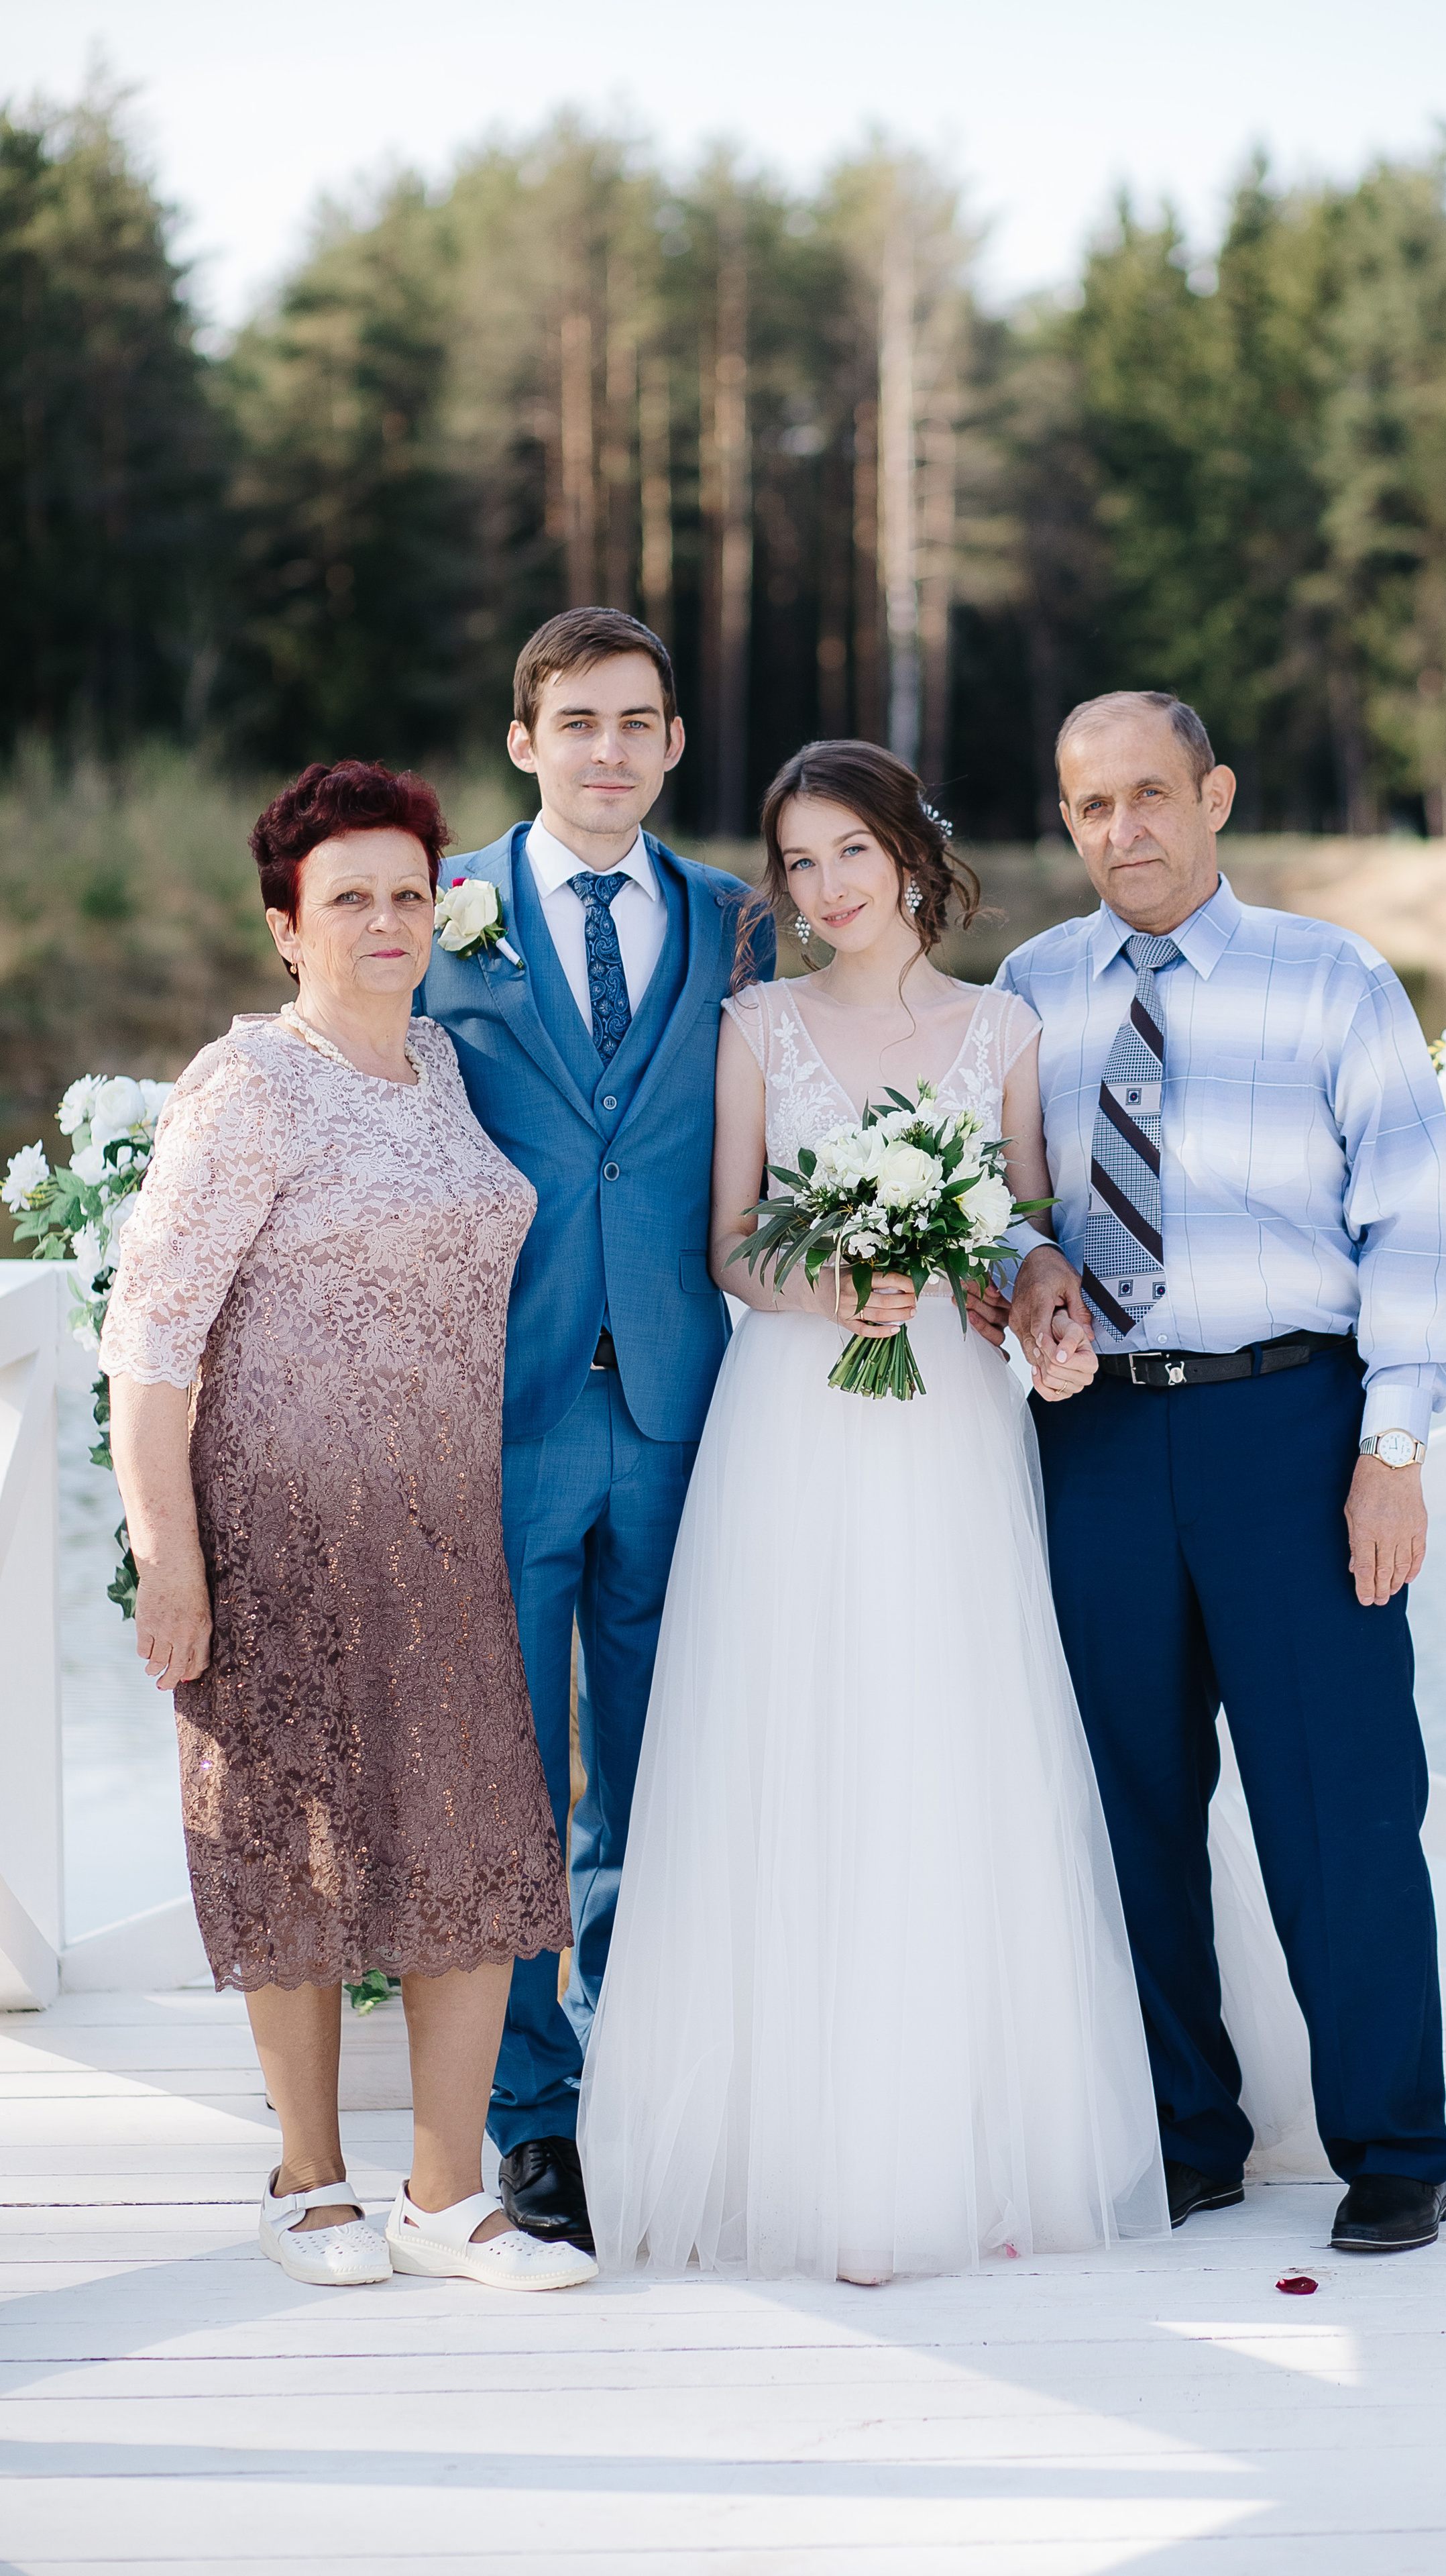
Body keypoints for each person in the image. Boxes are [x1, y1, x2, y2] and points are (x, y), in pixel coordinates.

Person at [575, 739, 1170, 2284]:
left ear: (911, 853)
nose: (824, 889)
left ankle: (959, 2139)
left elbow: (1026, 1222)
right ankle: (793, 2146)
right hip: (793, 1423)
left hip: (953, 1436)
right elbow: (724, 1244)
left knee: (948, 1741)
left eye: (848, 852)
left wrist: (1034, 1295)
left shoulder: (1006, 1027)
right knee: (799, 1738)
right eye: (797, 864)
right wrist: (822, 1281)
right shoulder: (754, 1026)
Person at [102, 760, 591, 2294]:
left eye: (403, 892)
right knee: (294, 1851)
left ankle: (447, 2197)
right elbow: (151, 1333)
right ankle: (307, 2174)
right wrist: (171, 1556)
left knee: (477, 1847)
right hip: (280, 1527)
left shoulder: (440, 1067)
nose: (383, 922)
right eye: (346, 899)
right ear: (285, 929)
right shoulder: (251, 1084)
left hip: (443, 1527)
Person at [998, 689, 1446, 2255]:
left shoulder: (1331, 981)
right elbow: (1002, 1195)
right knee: (1125, 1803)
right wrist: (1028, 1263)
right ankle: (1181, 2132)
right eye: (1086, 808)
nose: (1118, 833)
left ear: (1213, 795)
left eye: (1146, 796)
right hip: (1097, 1433)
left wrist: (1389, 1450)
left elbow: (1407, 1226)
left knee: (1339, 1799)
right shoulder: (1029, 990)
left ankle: (1393, 2143)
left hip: (1291, 1426)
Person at [415, 610, 773, 2251]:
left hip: (692, 1407)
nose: (608, 751)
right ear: (523, 742)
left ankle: (650, 2080)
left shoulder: (734, 920)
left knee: (661, 1765)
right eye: (577, 723)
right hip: (505, 1408)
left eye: (637, 722)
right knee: (502, 1774)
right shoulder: (441, 917)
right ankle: (534, 2118)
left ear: (676, 743)